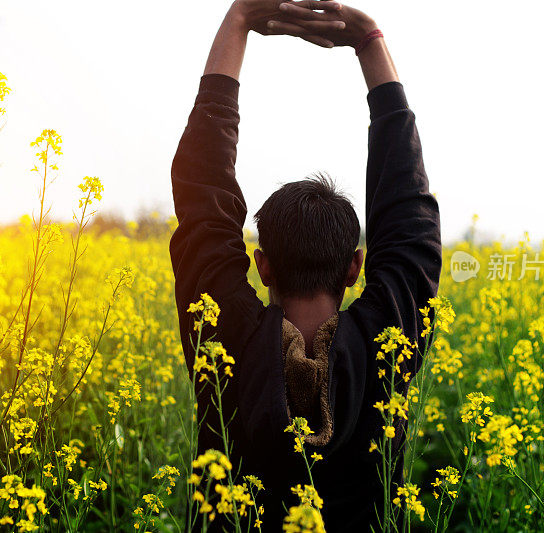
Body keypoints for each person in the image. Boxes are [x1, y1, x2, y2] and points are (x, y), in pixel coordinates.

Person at [169, 1, 442, 530]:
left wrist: (239, 20)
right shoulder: (388, 340)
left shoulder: (224, 338)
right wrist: (370, 41)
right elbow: (409, 219)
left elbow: (204, 197)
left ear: (262, 266)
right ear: (355, 267)